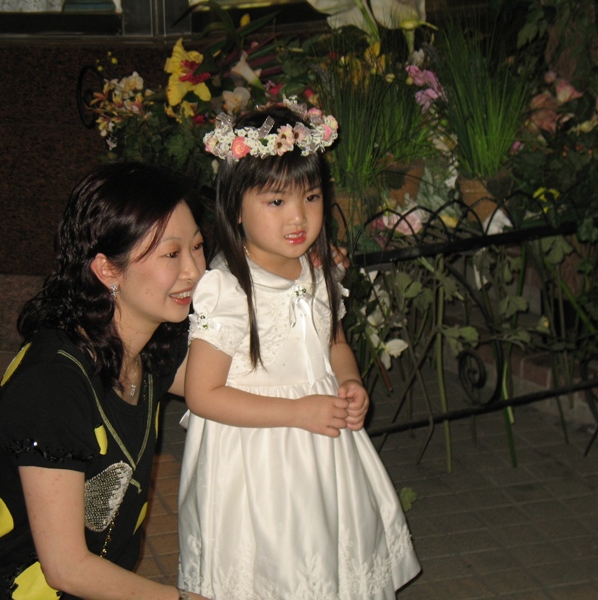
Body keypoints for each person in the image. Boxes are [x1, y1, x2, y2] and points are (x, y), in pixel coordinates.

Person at [178, 100, 421, 598]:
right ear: (235, 209)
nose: (299, 217)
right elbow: (203, 395)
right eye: (276, 202)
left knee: (327, 551)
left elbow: (334, 343)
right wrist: (296, 411)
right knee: (276, 566)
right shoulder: (227, 290)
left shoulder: (319, 270)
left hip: (323, 447)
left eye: (310, 197)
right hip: (257, 459)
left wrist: (350, 382)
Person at [0, 163, 209, 600]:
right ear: (107, 270)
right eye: (170, 254)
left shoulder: (146, 347)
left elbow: (222, 381)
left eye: (198, 247)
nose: (194, 271)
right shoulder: (51, 387)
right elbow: (66, 568)